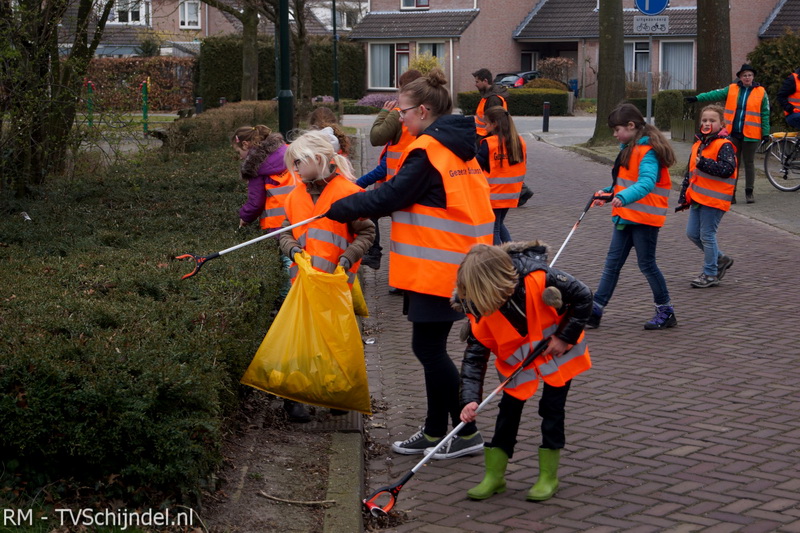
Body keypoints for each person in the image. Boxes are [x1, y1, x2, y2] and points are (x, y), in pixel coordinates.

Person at [326, 69, 495, 459]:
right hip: (460, 264)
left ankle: (463, 433)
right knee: (430, 348)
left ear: (421, 110)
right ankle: (438, 431)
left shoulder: (427, 152)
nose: (398, 118)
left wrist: (335, 208)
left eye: (402, 111)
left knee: (429, 350)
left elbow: (389, 197)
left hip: (438, 269)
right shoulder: (457, 145)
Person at [453, 242, 592, 502]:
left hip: (556, 355)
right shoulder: (476, 306)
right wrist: (469, 398)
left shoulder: (539, 278)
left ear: (495, 282)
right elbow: (474, 357)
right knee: (507, 412)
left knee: (551, 410)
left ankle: (548, 476)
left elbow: (583, 296)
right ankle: (495, 475)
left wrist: (565, 337)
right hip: (519, 366)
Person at [233, 125, 311, 423]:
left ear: (245, 145)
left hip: (279, 232)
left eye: (237, 150)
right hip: (304, 229)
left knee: (286, 290)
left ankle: (282, 301)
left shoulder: (257, 168)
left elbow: (255, 204)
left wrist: (241, 221)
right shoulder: (290, 154)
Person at [586, 103, 677, 331]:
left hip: (644, 219)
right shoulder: (628, 147)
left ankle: (665, 310)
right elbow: (623, 183)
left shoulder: (648, 152)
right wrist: (608, 193)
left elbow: (645, 183)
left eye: (617, 130)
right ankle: (595, 309)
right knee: (611, 264)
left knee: (647, 265)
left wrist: (623, 197)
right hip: (626, 216)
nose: (615, 135)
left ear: (631, 126)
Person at [278, 129, 374, 290]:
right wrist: (292, 249)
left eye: (297, 162)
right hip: (304, 285)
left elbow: (367, 232)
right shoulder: (294, 197)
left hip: (337, 286)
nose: (295, 169)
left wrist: (348, 257)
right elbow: (286, 231)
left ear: (316, 159)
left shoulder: (348, 194)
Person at [362, 69, 423, 274]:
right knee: (410, 235)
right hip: (420, 183)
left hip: (397, 184)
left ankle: (374, 252)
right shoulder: (430, 113)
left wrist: (384, 114)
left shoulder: (398, 113)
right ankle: (407, 277)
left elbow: (376, 137)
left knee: (368, 211)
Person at [686, 64, 770, 204]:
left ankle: (749, 192)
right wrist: (697, 98)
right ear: (740, 77)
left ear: (753, 77)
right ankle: (732, 193)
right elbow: (714, 94)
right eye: (744, 75)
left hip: (751, 134)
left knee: (749, 163)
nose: (747, 77)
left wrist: (765, 133)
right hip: (733, 134)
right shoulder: (732, 89)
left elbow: (765, 113)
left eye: (749, 75)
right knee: (733, 164)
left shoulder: (761, 92)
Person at [675, 105, 737, 288]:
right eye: (704, 120)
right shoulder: (698, 144)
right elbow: (690, 172)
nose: (707, 123)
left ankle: (710, 273)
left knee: (707, 235)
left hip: (715, 199)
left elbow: (727, 169)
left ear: (721, 124)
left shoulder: (724, 144)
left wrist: (704, 163)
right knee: (692, 233)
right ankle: (720, 258)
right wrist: (684, 195)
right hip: (698, 198)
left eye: (712, 120)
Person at [473, 67, 534, 207]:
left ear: (485, 81)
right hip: (486, 136)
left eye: (477, 81)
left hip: (488, 137)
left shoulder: (493, 99)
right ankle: (521, 191)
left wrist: (490, 139)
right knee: (502, 167)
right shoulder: (489, 96)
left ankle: (522, 191)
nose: (475, 84)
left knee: (496, 167)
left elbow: (494, 120)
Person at [476, 106, 527, 244]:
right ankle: (513, 254)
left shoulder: (489, 144)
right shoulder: (519, 141)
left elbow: (476, 166)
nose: (484, 126)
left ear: (495, 124)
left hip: (494, 193)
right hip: (512, 193)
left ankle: (501, 260)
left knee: (493, 229)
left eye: (486, 123)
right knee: (499, 224)